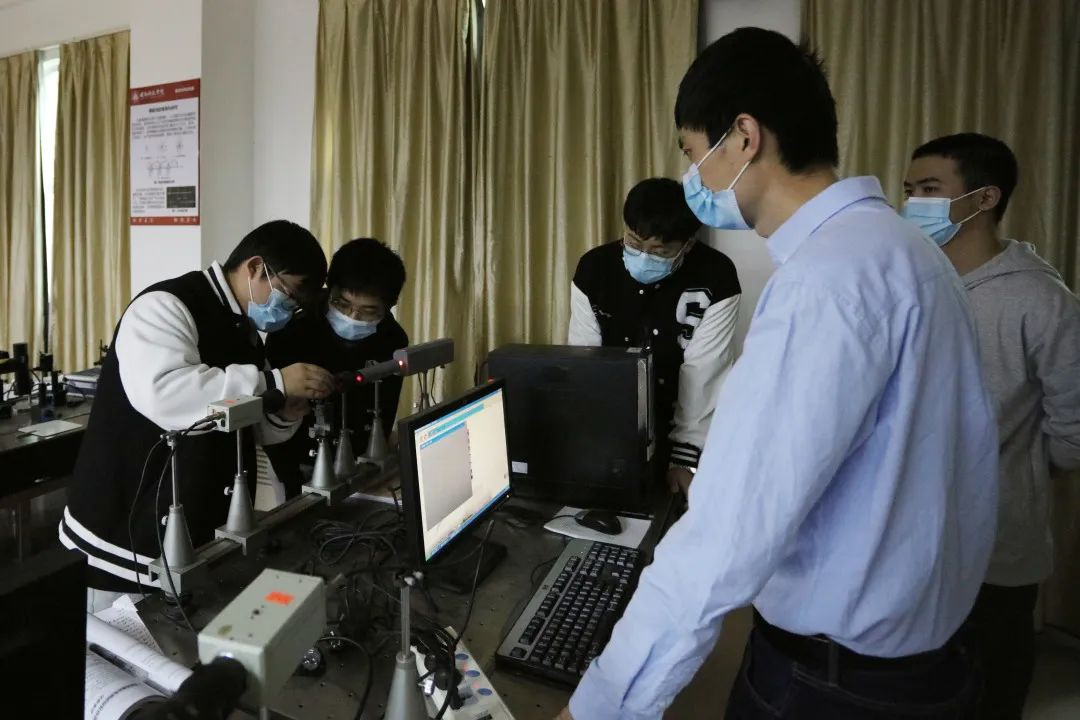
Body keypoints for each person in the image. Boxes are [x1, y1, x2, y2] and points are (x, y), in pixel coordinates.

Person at [558, 28, 998, 720]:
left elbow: (724, 537)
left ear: (743, 137)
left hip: (837, 684)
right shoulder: (903, 251)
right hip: (924, 655)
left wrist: (600, 706)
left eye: (692, 153)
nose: (693, 177)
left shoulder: (825, 283)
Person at [59, 220, 336, 611]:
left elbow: (243, 424)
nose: (288, 312)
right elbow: (169, 397)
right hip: (124, 529)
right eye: (288, 296)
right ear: (255, 267)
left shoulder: (244, 328)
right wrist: (274, 381)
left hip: (192, 529)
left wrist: (283, 412)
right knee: (120, 640)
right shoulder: (165, 306)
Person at [903, 133, 1080, 720]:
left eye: (930, 190)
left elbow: (1073, 430)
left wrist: (1012, 470)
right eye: (909, 190)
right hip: (911, 541)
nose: (914, 204)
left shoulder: (1040, 299)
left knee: (989, 689)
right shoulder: (912, 281)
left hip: (999, 547)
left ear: (984, 198)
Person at [569, 177, 741, 493]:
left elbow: (704, 372)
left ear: (687, 244)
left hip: (684, 420)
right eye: (634, 244)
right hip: (611, 421)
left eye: (660, 251)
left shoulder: (717, 276)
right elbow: (585, 360)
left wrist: (684, 457)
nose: (644, 257)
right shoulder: (594, 269)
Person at [266, 238, 409, 497]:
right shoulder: (291, 329)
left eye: (368, 311)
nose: (352, 317)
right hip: (295, 456)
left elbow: (385, 408)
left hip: (360, 460)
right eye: (342, 304)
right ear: (329, 287)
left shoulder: (392, 339)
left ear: (390, 305)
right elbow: (274, 413)